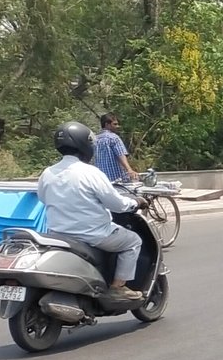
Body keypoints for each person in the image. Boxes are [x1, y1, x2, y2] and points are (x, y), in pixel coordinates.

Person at [37, 122, 143, 302]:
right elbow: (117, 204)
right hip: (94, 235)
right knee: (133, 241)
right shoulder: (90, 172)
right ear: (84, 145)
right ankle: (118, 288)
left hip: (58, 235)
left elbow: (42, 198)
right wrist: (135, 202)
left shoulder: (47, 173)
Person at [93, 112, 139, 185]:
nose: (117, 126)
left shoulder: (95, 139)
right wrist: (129, 170)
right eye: (115, 124)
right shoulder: (113, 138)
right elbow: (121, 155)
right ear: (107, 124)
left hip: (102, 181)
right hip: (117, 180)